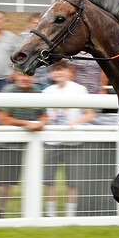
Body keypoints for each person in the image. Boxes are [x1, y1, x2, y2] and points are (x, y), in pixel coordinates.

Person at [0, 70, 47, 219]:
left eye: (27, 75)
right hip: (2, 144)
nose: (24, 78)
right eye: (21, 75)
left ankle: (1, 212)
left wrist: (41, 124)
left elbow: (44, 115)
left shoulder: (37, 92)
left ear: (33, 77)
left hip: (20, 146)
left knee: (9, 180)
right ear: (15, 76)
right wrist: (27, 123)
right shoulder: (8, 90)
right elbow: (3, 119)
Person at [42, 61, 94, 218]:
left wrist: (74, 122)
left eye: (61, 70)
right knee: (48, 179)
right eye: (55, 70)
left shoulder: (79, 90)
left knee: (73, 180)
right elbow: (44, 116)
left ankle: (70, 216)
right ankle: (51, 215)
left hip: (74, 141)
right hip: (53, 141)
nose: (58, 73)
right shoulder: (46, 92)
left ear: (68, 71)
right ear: (51, 74)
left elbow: (89, 114)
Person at [18, 13, 51, 89]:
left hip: (44, 80)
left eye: (40, 23)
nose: (37, 25)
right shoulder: (23, 37)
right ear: (30, 23)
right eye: (35, 23)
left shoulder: (50, 38)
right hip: (27, 81)